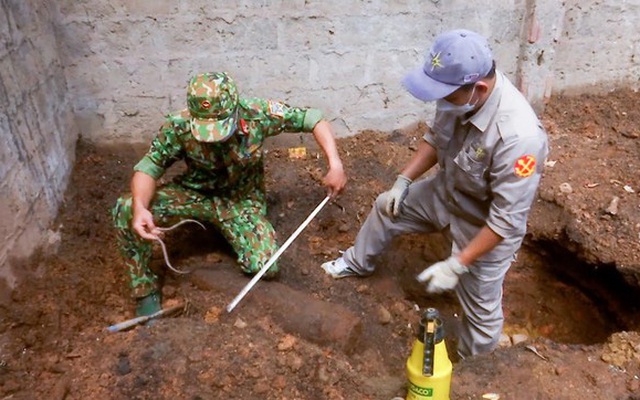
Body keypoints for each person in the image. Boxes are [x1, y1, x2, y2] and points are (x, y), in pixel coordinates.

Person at [321, 29, 549, 358]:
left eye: (446, 95)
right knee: (386, 207)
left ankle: (478, 369)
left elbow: (506, 221)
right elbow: (437, 139)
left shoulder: (519, 138)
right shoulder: (459, 96)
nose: (438, 102)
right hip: (448, 192)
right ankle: (356, 263)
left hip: (483, 225)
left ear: (479, 89)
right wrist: (402, 181)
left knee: (481, 314)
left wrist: (458, 263)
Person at [113, 71, 347, 317]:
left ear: (235, 109)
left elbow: (314, 119)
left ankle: (227, 233)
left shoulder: (258, 113)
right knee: (126, 207)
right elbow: (148, 167)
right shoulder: (178, 126)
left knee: (265, 266)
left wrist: (335, 164)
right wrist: (140, 206)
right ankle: (144, 290)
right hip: (194, 195)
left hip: (240, 201)